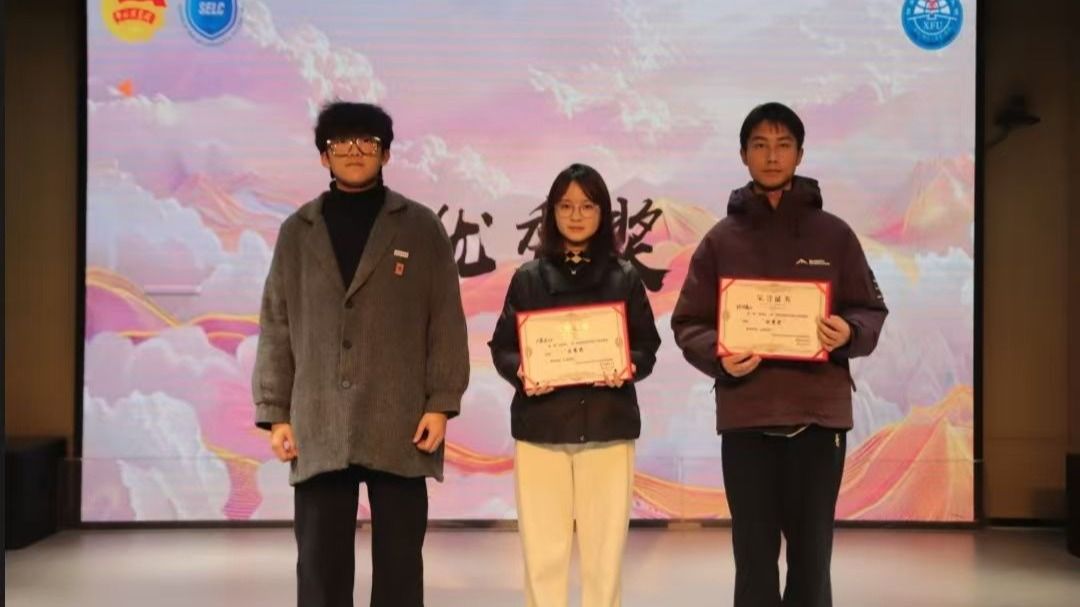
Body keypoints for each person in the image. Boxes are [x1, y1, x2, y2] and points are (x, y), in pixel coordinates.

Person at [251, 101, 469, 607]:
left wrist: (441, 403)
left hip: (401, 418)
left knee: (399, 567)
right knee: (320, 568)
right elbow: (277, 323)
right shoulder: (297, 231)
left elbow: (446, 320)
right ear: (323, 156)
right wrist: (276, 413)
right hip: (319, 420)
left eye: (367, 141)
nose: (354, 150)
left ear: (386, 153)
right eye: (340, 142)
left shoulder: (419, 227)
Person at [671, 102, 888, 607]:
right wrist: (719, 355)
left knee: (812, 563)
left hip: (818, 421)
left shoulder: (834, 234)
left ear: (800, 154)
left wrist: (848, 332)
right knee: (753, 562)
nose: (772, 156)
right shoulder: (720, 240)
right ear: (743, 155)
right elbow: (688, 323)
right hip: (747, 419)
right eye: (760, 145)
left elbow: (870, 310)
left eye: (783, 145)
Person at [488, 163, 661, 607]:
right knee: (543, 557)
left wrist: (628, 366)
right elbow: (503, 347)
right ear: (551, 213)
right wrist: (522, 372)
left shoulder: (624, 276)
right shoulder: (529, 278)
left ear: (603, 213)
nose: (577, 215)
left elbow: (647, 346)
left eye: (587, 206)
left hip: (607, 429)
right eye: (566, 206)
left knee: (604, 559)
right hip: (541, 432)